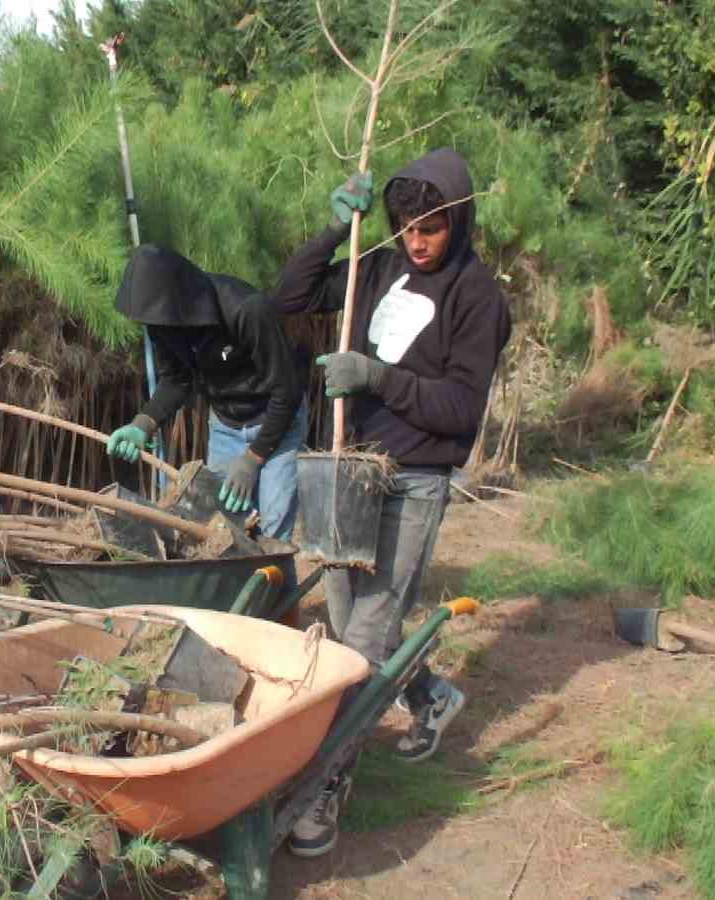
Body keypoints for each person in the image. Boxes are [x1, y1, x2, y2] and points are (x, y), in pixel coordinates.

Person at [271, 148, 512, 856]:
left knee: (364, 639)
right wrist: (332, 232)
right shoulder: (377, 266)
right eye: (406, 225)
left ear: (458, 223)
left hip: (412, 479)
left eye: (431, 228)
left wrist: (376, 376)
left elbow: (462, 409)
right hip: (348, 470)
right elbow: (289, 297)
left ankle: (324, 786)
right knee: (350, 617)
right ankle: (430, 694)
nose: (417, 240)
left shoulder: (478, 298)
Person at [106, 244, 307, 540]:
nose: (154, 327)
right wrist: (143, 423)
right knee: (222, 528)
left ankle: (278, 584)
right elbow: (176, 381)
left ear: (179, 302)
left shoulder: (246, 309)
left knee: (273, 531)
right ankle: (232, 586)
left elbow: (286, 391)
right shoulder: (162, 324)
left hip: (276, 421)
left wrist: (253, 458)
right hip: (226, 426)